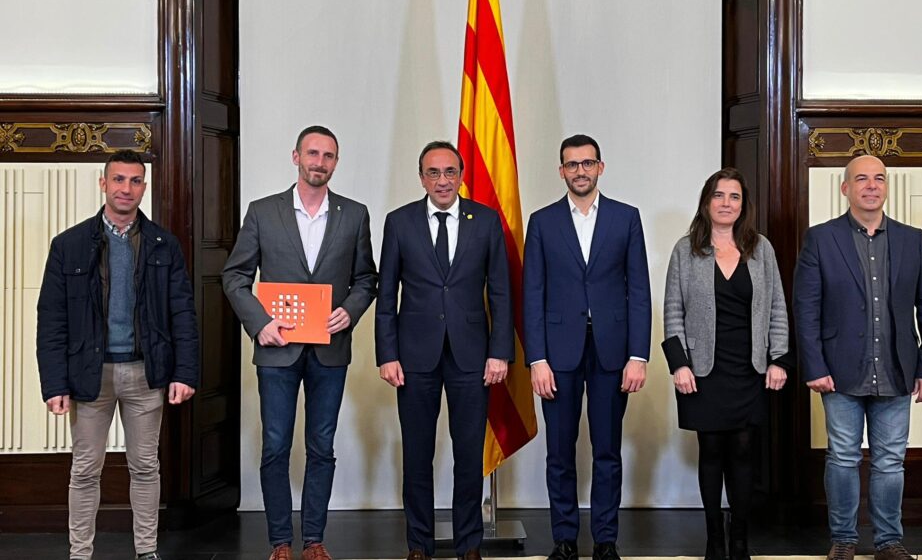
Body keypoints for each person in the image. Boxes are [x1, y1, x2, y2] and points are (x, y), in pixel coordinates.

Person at [222, 126, 378, 560]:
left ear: (336, 162)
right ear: (296, 157)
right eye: (312, 153)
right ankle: (279, 542)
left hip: (330, 347)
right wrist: (258, 323)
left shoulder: (354, 214)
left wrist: (351, 309)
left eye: (328, 155)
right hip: (277, 347)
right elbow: (235, 277)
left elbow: (367, 278)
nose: (319, 162)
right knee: (274, 445)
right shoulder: (262, 211)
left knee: (320, 445)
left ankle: (313, 540)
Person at [36, 150, 199, 560]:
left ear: (144, 187)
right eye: (119, 180)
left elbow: (183, 313)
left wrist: (186, 372)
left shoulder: (165, 245)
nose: (127, 188)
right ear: (103, 184)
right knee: (85, 469)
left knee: (145, 467)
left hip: (146, 373)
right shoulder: (68, 245)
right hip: (90, 375)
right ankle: (80, 553)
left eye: (136, 181)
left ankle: (147, 551)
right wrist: (54, 383)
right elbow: (51, 320)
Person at [793, 155, 922, 560]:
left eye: (879, 178)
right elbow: (806, 308)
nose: (871, 185)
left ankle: (888, 542)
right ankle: (843, 540)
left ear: (886, 187)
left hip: (897, 370)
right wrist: (815, 366)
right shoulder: (821, 239)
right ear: (846, 189)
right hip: (839, 372)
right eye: (861, 179)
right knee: (842, 456)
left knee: (890, 462)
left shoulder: (912, 239)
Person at [375, 140, 513, 560]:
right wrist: (387, 354)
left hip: (473, 356)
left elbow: (502, 293)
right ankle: (419, 544)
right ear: (421, 178)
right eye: (432, 173)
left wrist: (500, 351)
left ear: (461, 175)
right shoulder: (399, 222)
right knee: (417, 456)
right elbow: (386, 295)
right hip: (414, 357)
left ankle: (469, 544)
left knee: (469, 456)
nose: (442, 180)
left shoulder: (486, 221)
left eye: (449, 171)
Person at [523, 134, 650, 560]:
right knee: (559, 451)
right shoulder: (542, 222)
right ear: (561, 170)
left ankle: (606, 540)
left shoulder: (625, 217)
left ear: (601, 167)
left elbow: (639, 291)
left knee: (607, 450)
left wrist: (639, 355)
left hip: (613, 353)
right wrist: (536, 359)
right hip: (556, 355)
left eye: (587, 163)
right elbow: (532, 294)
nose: (580, 171)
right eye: (572, 164)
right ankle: (563, 539)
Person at [662, 167, 790, 560]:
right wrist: (678, 364)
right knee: (712, 450)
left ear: (743, 205)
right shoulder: (687, 249)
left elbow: (777, 309)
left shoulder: (761, 248)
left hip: (749, 368)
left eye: (734, 197)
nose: (726, 203)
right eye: (719, 195)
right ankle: (714, 538)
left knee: (744, 450)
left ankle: (740, 540)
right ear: (706, 201)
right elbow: (672, 310)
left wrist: (778, 359)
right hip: (702, 369)